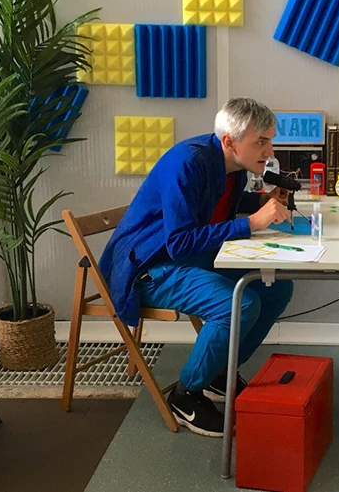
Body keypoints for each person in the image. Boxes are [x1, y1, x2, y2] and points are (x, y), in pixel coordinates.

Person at [99, 98, 295, 437]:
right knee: (238, 305)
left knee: (276, 287)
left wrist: (260, 202)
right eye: (261, 141)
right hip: (148, 268)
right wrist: (250, 223)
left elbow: (216, 202)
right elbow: (179, 242)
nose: (269, 150)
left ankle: (218, 373)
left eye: (270, 140)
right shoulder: (188, 163)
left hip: (181, 258)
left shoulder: (232, 167)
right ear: (230, 141)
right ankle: (186, 394)